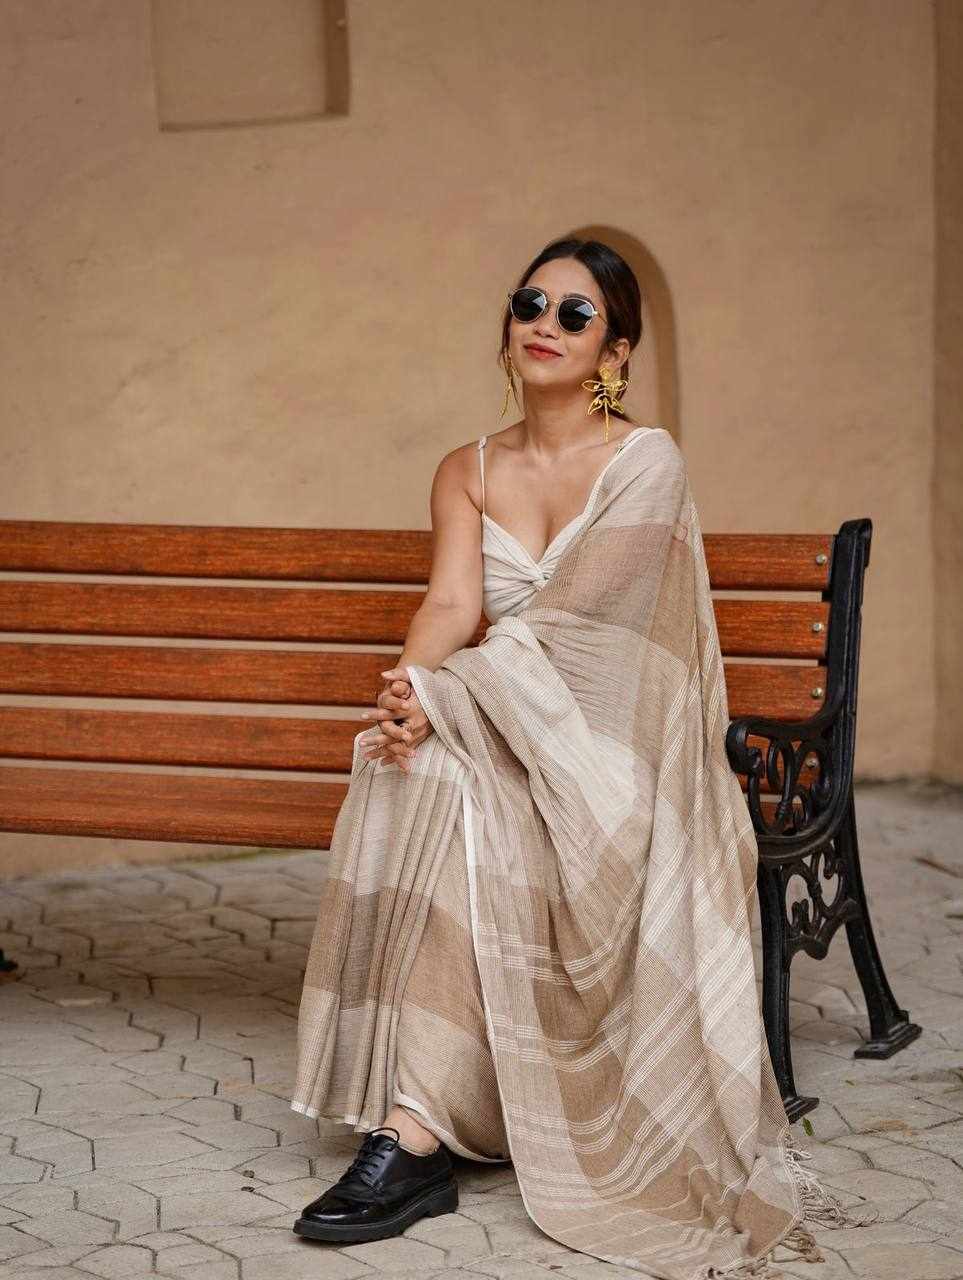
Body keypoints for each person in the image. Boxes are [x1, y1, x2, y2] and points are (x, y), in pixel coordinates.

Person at [288, 238, 873, 1279]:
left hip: (615, 756)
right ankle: (418, 1119)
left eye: (574, 313)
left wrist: (451, 698)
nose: (543, 325)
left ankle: (435, 1122)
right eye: (530, 303)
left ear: (616, 351)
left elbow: (590, 635)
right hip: (512, 724)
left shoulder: (646, 462)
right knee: (410, 767)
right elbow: (452, 605)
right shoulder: (466, 469)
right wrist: (407, 691)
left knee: (455, 778)